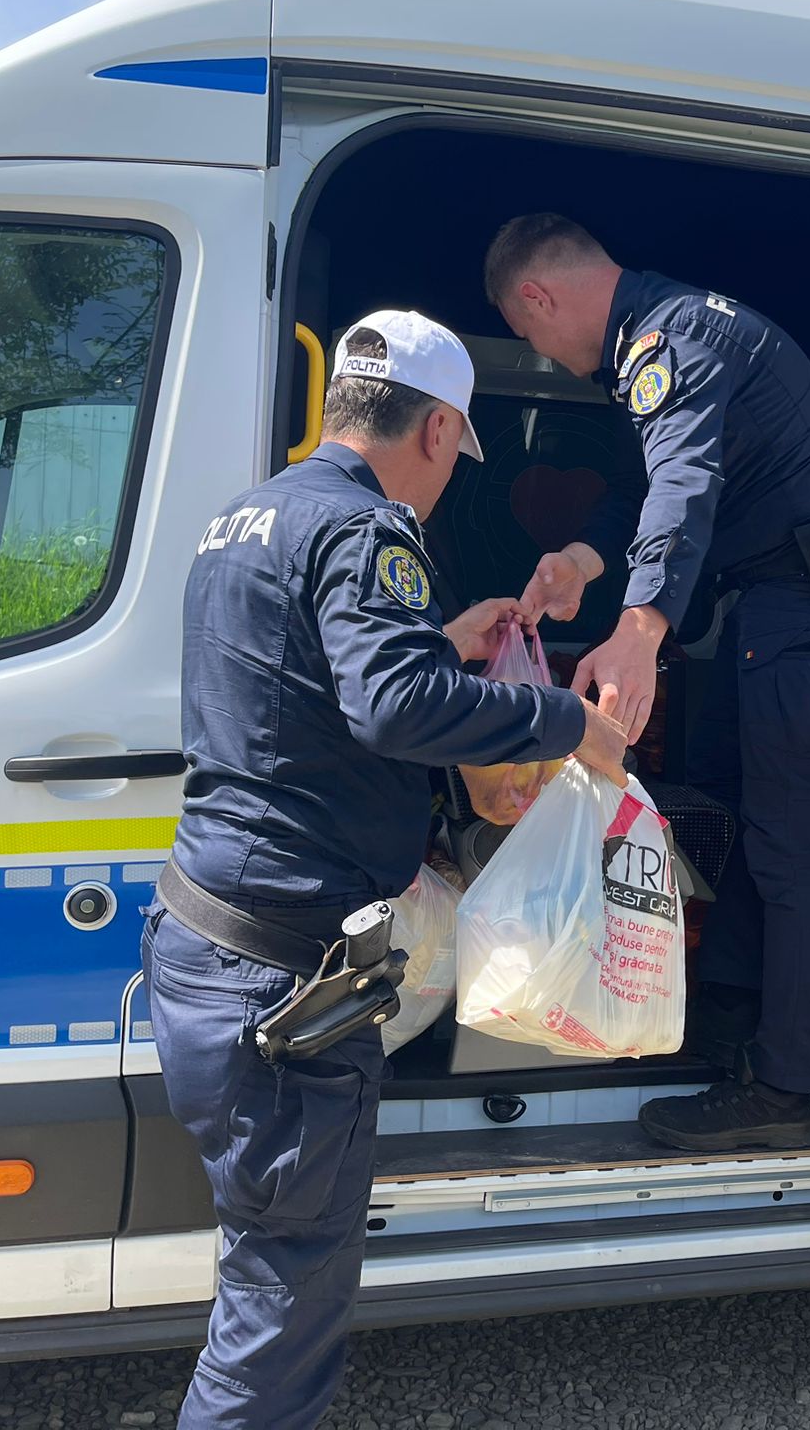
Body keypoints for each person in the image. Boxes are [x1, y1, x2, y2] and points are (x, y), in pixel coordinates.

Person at [144, 309, 628, 1430]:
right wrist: (569, 723)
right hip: (284, 985)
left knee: (264, 1272)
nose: (447, 479)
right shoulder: (371, 530)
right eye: (455, 455)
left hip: (207, 945)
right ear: (439, 429)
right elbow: (393, 707)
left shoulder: (245, 518)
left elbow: (301, 688)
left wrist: (441, 641)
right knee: (279, 1309)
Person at [485, 214, 810, 1153]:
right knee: (748, 811)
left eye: (526, 331)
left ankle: (783, 1091)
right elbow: (648, 489)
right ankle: (731, 1025)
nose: (540, 353)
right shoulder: (660, 334)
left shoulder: (676, 339)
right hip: (780, 600)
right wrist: (583, 561)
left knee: (788, 837)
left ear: (538, 297)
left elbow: (683, 485)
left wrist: (639, 630)